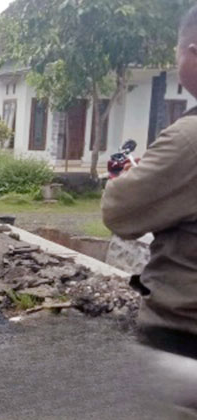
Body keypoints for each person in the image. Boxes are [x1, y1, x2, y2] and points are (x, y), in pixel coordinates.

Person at [103, 6, 197, 411]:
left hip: (182, 340)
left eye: (177, 53)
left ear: (193, 53)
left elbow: (121, 213)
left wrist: (122, 182)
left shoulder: (189, 140)